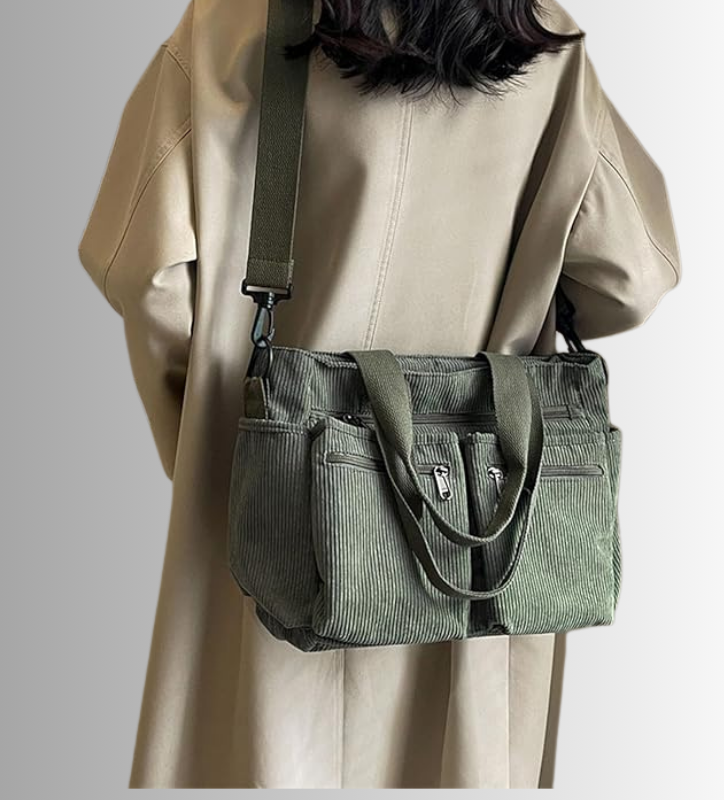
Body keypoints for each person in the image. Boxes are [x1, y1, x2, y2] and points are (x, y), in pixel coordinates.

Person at [77, 0, 681, 789]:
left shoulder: (231, 27)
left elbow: (141, 270)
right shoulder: (540, 42)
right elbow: (634, 277)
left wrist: (215, 452)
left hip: (268, 567)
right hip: (478, 552)